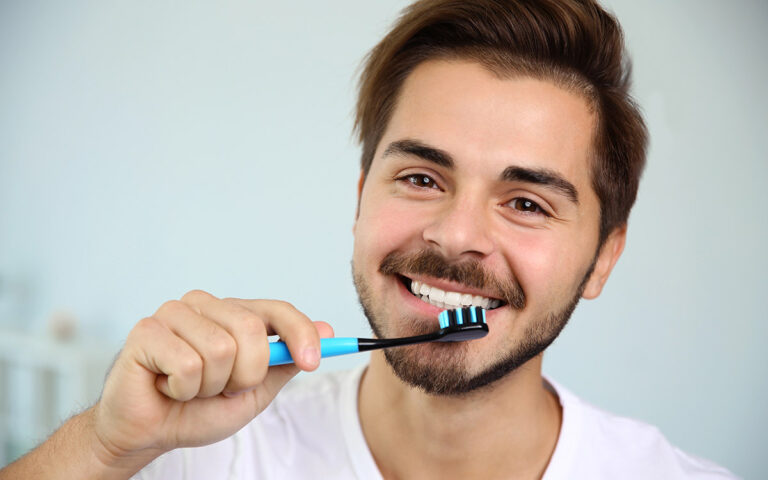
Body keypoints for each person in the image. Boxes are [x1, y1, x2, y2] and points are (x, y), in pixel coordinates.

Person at [0, 0, 737, 479]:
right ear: (361, 199)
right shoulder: (200, 450)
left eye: (525, 202)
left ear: (603, 256)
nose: (455, 235)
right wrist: (102, 447)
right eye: (421, 179)